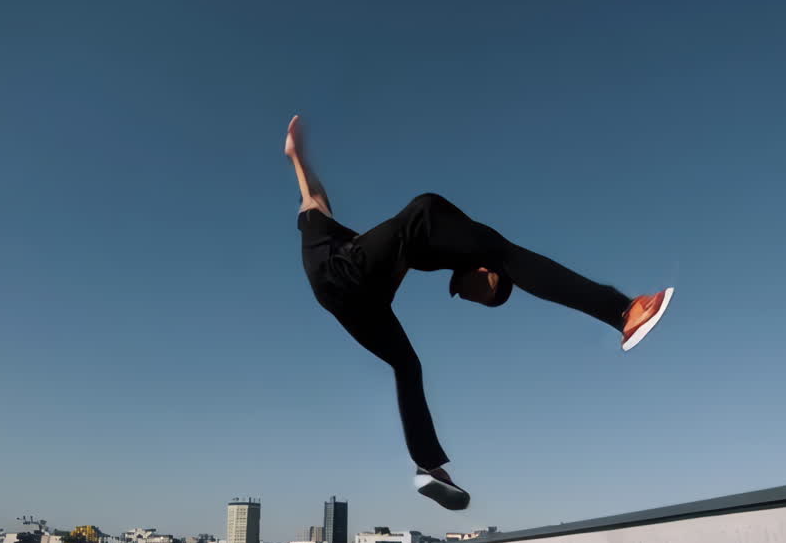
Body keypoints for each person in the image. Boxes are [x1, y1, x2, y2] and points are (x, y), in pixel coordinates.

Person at [287, 115, 672, 510]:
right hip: (354, 277)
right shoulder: (323, 225)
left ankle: (428, 466)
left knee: (407, 364)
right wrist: (298, 159)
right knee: (425, 212)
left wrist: (296, 155)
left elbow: (310, 191)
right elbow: (314, 193)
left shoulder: (318, 235)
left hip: (349, 303)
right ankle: (621, 311)